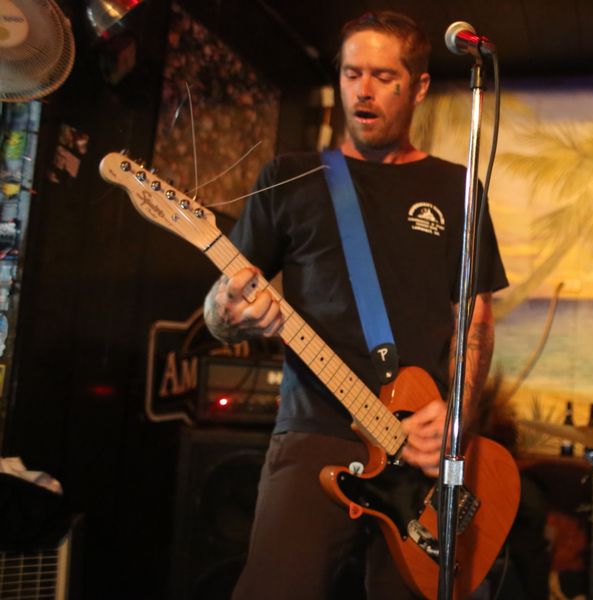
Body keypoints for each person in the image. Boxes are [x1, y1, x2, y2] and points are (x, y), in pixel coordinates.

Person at [202, 11, 508, 599]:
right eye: (351, 74)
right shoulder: (289, 178)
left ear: (418, 87)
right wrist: (229, 310)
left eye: (383, 77)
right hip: (315, 431)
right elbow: (219, 312)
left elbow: (476, 324)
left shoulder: (458, 190)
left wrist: (454, 421)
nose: (363, 90)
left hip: (422, 450)